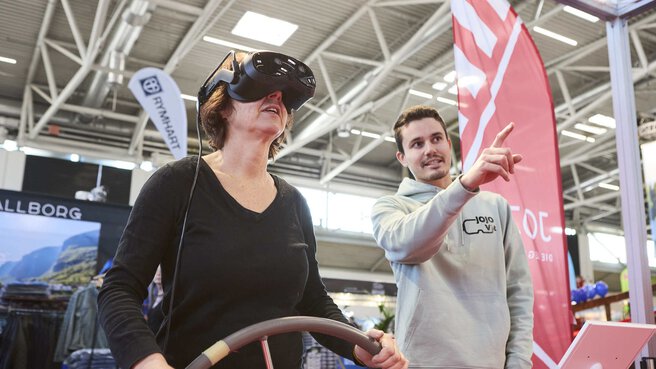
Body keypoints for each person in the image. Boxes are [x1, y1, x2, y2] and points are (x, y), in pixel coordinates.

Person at [97, 50, 408, 369]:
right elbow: (119, 289)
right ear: (222, 107)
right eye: (260, 87)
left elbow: (313, 301)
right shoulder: (176, 183)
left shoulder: (295, 203)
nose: (276, 96)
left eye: (285, 96)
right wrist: (148, 362)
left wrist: (359, 346)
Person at [370, 105, 533, 369]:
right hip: (421, 364)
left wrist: (519, 362)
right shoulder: (390, 209)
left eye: (436, 139)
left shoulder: (495, 206)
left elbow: (519, 291)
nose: (429, 150)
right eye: (417, 144)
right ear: (402, 157)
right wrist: (465, 187)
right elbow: (409, 246)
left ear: (448, 143)